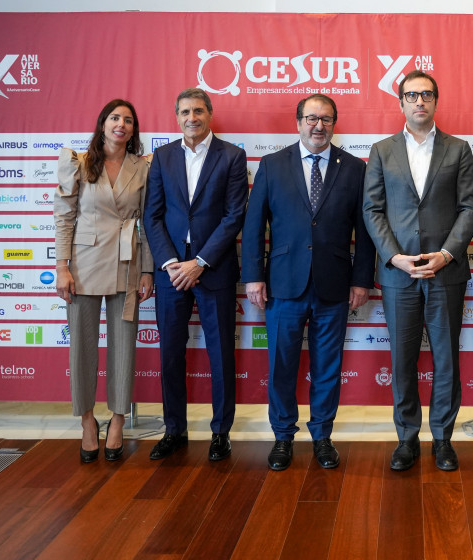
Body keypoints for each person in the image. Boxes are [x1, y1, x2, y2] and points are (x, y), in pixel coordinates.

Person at [242, 94, 375, 471]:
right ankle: (283, 436)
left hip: (335, 285)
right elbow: (254, 226)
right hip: (283, 285)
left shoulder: (354, 168)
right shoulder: (272, 165)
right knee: (281, 365)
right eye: (312, 118)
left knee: (328, 367)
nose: (319, 125)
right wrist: (253, 276)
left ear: (334, 124)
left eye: (326, 119)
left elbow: (365, 230)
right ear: (298, 122)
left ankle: (322, 437)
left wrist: (361, 279)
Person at [363, 70, 473, 472]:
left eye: (426, 95)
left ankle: (443, 439)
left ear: (435, 101)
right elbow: (372, 210)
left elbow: (470, 208)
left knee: (446, 360)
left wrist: (446, 254)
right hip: (398, 274)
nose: (419, 101)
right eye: (411, 95)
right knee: (402, 361)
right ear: (400, 102)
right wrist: (393, 256)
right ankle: (407, 438)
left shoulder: (458, 149)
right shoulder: (382, 151)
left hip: (445, 273)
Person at [143, 88, 248, 462]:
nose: (192, 118)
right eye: (185, 112)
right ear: (177, 117)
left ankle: (221, 433)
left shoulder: (232, 156)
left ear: (210, 114)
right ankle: (174, 429)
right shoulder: (162, 156)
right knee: (170, 355)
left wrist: (200, 261)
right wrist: (171, 262)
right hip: (171, 272)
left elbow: (234, 216)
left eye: (199, 111)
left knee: (221, 354)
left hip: (213, 269)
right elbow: (152, 215)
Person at [55, 99, 154, 463]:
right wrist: (62, 267)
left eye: (128, 120)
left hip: (127, 263)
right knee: (81, 346)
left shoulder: (143, 167)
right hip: (83, 265)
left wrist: (148, 270)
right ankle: (86, 421)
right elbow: (64, 217)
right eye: (114, 118)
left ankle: (117, 420)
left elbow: (149, 222)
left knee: (123, 346)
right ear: (102, 124)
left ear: (134, 129)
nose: (121, 124)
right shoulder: (79, 162)